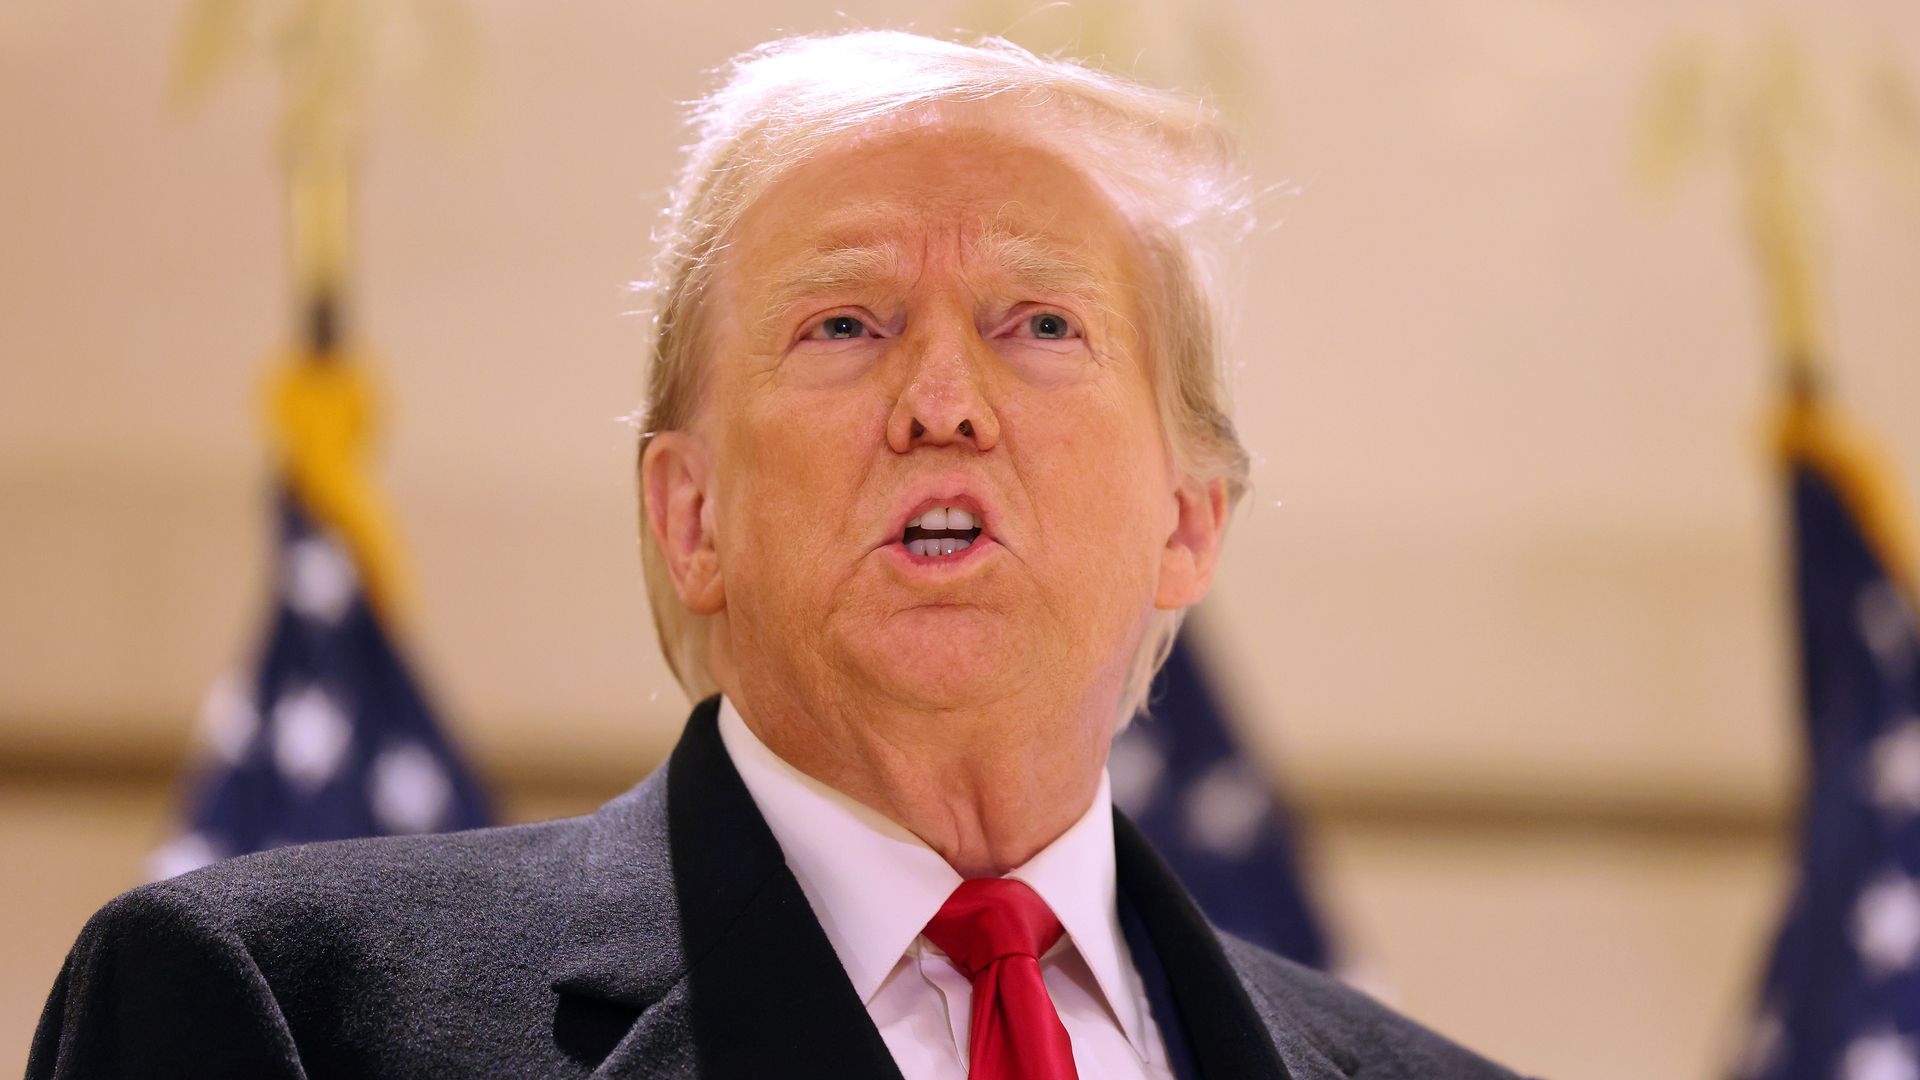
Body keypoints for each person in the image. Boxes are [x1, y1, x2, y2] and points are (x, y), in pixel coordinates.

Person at [29, 30, 1523, 1080]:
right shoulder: (276, 1016)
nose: (944, 401)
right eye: (845, 324)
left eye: (1041, 324)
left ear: (1189, 521)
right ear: (691, 517)